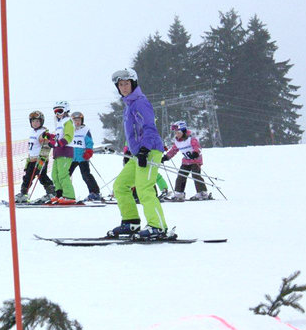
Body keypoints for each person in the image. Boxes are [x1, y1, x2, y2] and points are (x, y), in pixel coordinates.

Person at [109, 68, 168, 239]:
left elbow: (150, 127)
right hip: (138, 154)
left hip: (149, 151)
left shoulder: (140, 102)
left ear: (133, 84)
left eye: (126, 84)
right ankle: (131, 222)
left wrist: (144, 150)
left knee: (144, 189)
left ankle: (158, 227)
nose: (124, 87)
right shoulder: (129, 105)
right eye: (120, 84)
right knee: (120, 186)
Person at [162, 120, 209, 201]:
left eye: (178, 132)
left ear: (183, 131)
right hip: (186, 161)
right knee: (181, 176)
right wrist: (166, 157)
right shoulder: (177, 141)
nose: (177, 134)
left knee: (196, 175)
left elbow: (197, 148)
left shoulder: (191, 139)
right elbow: (173, 151)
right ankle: (179, 193)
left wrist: (195, 153)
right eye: (176, 133)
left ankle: (202, 193)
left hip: (195, 160)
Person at [15, 111, 55, 203]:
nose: (35, 123)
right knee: (28, 177)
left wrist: (48, 139)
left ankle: (51, 192)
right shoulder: (33, 132)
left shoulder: (42, 132)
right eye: (33, 121)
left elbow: (47, 142)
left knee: (40, 176)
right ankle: (23, 194)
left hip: (40, 159)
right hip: (32, 159)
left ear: (41, 122)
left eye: (37, 121)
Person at [68, 111, 101, 201]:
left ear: (82, 120)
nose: (77, 122)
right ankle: (64, 193)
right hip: (72, 157)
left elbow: (89, 142)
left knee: (86, 175)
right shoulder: (70, 130)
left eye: (78, 120)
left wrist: (89, 151)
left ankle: (95, 192)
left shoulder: (85, 129)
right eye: (75, 120)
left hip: (82, 157)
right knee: (66, 175)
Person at [47, 101, 76, 204]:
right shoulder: (59, 123)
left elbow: (68, 136)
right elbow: (57, 137)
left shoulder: (68, 121)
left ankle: (69, 195)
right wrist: (51, 138)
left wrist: (58, 143)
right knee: (55, 174)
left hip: (65, 151)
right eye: (55, 112)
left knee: (63, 174)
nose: (57, 114)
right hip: (58, 152)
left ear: (66, 110)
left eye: (60, 111)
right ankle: (59, 194)